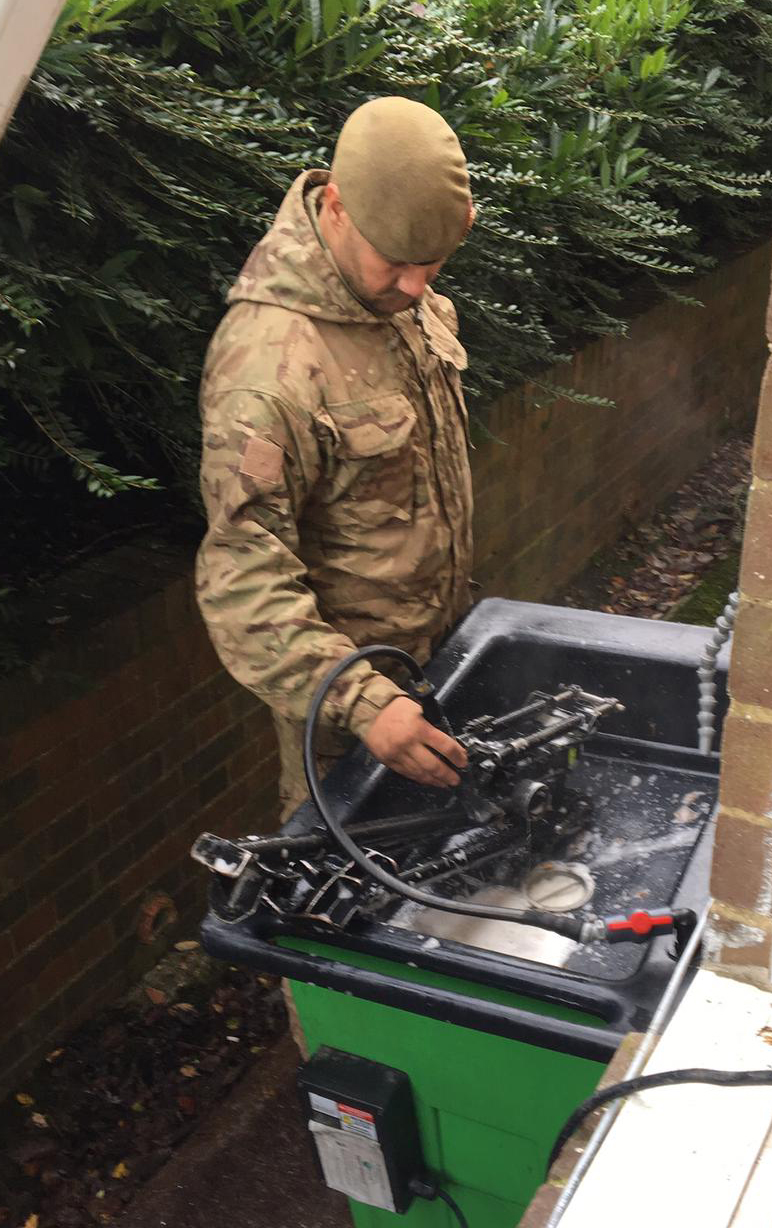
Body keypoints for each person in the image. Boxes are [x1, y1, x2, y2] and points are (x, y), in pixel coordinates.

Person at [196, 95, 476, 823]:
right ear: (338, 208)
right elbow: (241, 579)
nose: (416, 288)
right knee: (350, 884)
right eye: (397, 264)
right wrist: (364, 703)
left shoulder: (392, 289)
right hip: (347, 731)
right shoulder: (270, 368)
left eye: (432, 264)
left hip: (441, 674)